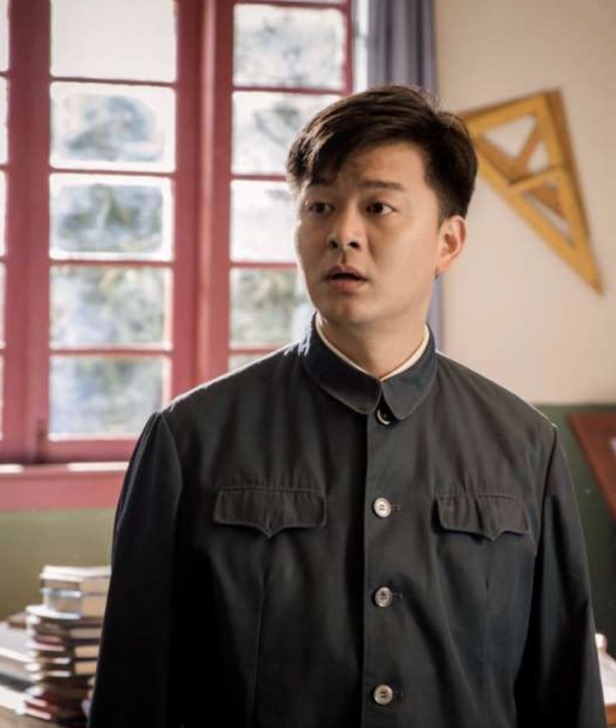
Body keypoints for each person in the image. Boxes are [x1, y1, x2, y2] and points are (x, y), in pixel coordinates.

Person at [88, 85, 607, 728]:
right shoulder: (188, 438)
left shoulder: (525, 444)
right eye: (320, 207)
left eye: (378, 207)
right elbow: (133, 695)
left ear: (448, 242)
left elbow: (564, 691)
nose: (342, 234)